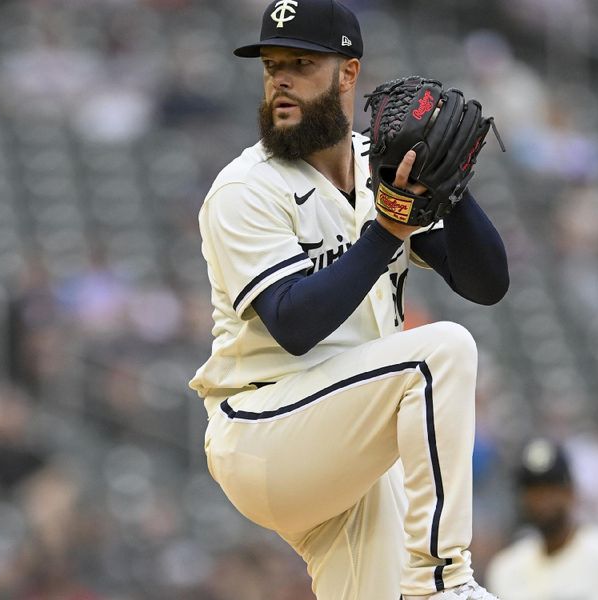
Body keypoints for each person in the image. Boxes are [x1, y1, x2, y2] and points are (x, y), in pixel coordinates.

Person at [189, 1, 509, 598]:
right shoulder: (246, 187)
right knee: (437, 353)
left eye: (301, 64)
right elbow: (293, 323)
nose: (280, 79)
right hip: (264, 431)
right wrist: (387, 230)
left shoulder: (379, 167)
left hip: (343, 449)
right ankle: (446, 581)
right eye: (271, 65)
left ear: (347, 74)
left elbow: (486, 284)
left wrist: (451, 188)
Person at [486, 438, 598, 600]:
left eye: (551, 488)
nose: (542, 500)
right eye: (533, 490)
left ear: (571, 493)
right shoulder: (505, 568)